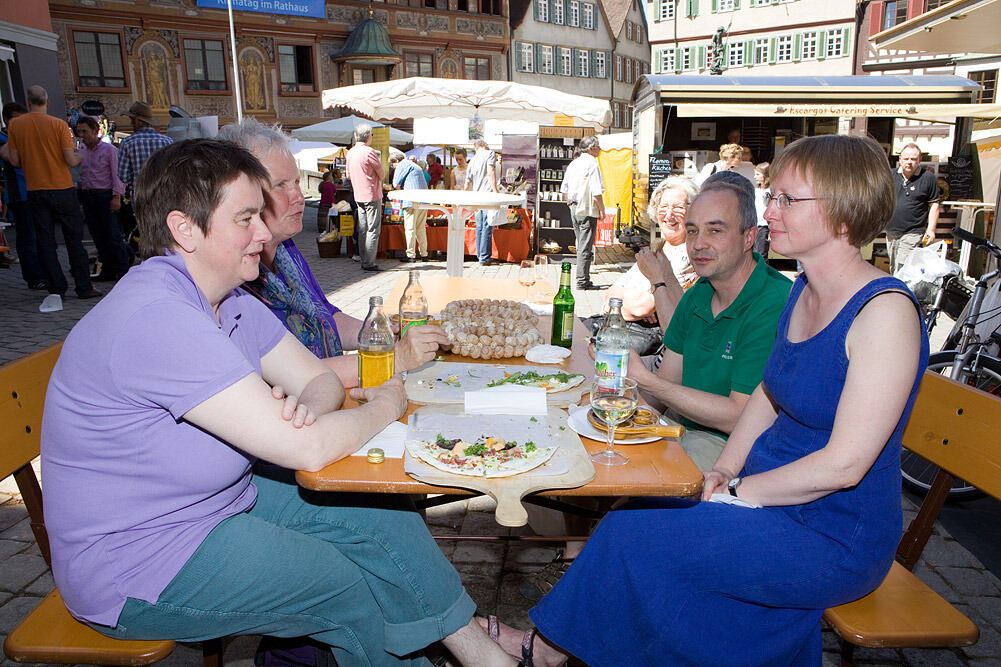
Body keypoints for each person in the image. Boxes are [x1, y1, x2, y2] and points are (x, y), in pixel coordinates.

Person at [41, 138, 519, 667]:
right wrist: (380, 406)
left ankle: (481, 656)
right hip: (138, 561)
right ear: (184, 229)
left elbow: (317, 379)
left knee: (378, 514)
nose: (265, 233)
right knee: (342, 586)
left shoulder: (230, 301)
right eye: (246, 217)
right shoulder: (157, 318)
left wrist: (304, 418)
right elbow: (311, 449)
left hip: (217, 501)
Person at [484, 133, 931, 667]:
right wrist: (725, 466)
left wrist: (740, 489)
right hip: (776, 501)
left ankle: (544, 651)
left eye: (788, 199)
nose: (771, 211)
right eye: (775, 197)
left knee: (633, 537)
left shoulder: (883, 313)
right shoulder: (807, 291)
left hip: (833, 532)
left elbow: (845, 465)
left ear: (842, 213)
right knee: (643, 523)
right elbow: (769, 392)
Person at [218, 119, 448, 386]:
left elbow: (327, 316)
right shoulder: (233, 278)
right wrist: (394, 357)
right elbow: (290, 375)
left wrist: (385, 334)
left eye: (295, 181)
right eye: (280, 185)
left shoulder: (285, 249)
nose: (298, 196)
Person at [624, 172, 792, 471]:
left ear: (749, 237)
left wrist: (644, 379)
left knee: (626, 479)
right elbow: (665, 388)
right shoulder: (698, 295)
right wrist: (613, 399)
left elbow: (739, 416)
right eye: (692, 231)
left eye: (715, 231)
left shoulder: (773, 301)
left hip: (736, 450)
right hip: (679, 428)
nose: (698, 244)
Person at [3, 85, 100, 300]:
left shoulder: (17, 125)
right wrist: (80, 157)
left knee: (45, 241)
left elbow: (16, 160)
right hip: (62, 187)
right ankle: (83, 287)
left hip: (36, 189)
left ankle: (57, 287)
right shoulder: (58, 125)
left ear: (28, 103)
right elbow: (69, 159)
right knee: (74, 240)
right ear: (46, 102)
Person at [602, 176, 698, 355]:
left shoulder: (690, 256)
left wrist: (625, 300)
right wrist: (629, 300)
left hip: (650, 350)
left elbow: (642, 306)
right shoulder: (658, 249)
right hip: (626, 332)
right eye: (663, 207)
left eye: (678, 207)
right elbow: (609, 295)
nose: (669, 215)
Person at [75, 115, 131, 281]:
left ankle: (122, 269)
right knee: (97, 234)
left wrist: (116, 197)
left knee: (112, 234)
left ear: (95, 131)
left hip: (104, 194)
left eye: (85, 131)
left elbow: (117, 174)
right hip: (88, 195)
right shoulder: (81, 151)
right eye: (79, 132)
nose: (82, 135)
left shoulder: (109, 150)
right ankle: (108, 268)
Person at [0, 102, 46, 290]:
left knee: (40, 236)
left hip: (35, 191)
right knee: (28, 237)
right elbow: (11, 159)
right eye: (15, 119)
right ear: (6, 119)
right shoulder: (4, 139)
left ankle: (42, 272)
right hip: (20, 194)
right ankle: (34, 277)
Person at [117, 100, 173, 250]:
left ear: (137, 120)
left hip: (141, 196)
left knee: (146, 232)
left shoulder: (127, 143)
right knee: (165, 231)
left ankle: (151, 259)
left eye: (131, 120)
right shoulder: (167, 141)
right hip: (164, 195)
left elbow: (122, 175)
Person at [886, 143, 940, 273]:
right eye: (906, 159)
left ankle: (900, 291)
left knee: (902, 266)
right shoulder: (890, 175)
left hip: (913, 231)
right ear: (900, 159)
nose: (909, 162)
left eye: (913, 159)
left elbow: (934, 205)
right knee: (894, 266)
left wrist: (931, 230)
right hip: (891, 230)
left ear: (919, 160)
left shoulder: (928, 178)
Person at [559, 135, 604, 290]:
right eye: (597, 146)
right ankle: (582, 281)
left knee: (581, 244)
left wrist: (569, 202)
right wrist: (602, 209)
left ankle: (583, 278)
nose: (600, 149)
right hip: (587, 209)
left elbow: (564, 187)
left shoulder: (574, 163)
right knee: (585, 246)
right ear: (591, 148)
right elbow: (596, 190)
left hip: (574, 207)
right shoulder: (592, 163)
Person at [346, 124, 385, 272]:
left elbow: (348, 176)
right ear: (368, 136)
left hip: (358, 194)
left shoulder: (351, 152)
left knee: (362, 228)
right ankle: (369, 262)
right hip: (372, 194)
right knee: (373, 229)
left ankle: (363, 258)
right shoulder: (369, 152)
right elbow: (381, 174)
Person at [465, 138, 498, 265]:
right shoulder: (489, 153)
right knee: (487, 226)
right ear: (485, 146)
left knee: (479, 227)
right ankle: (484, 257)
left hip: (476, 196)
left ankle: (480, 255)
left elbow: (467, 183)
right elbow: (491, 171)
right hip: (487, 194)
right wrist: (495, 190)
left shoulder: (472, 160)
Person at [391, 153, 430, 263]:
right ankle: (424, 254)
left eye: (392, 165)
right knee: (421, 228)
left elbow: (396, 185)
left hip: (411, 200)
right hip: (423, 200)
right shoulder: (414, 165)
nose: (393, 168)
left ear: (395, 162)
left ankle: (411, 255)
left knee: (410, 228)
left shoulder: (402, 165)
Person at [753, 161, 771, 257]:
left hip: (764, 225)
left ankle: (762, 271)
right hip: (756, 224)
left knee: (761, 253)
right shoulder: (757, 191)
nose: (755, 177)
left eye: (758, 174)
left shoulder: (770, 191)